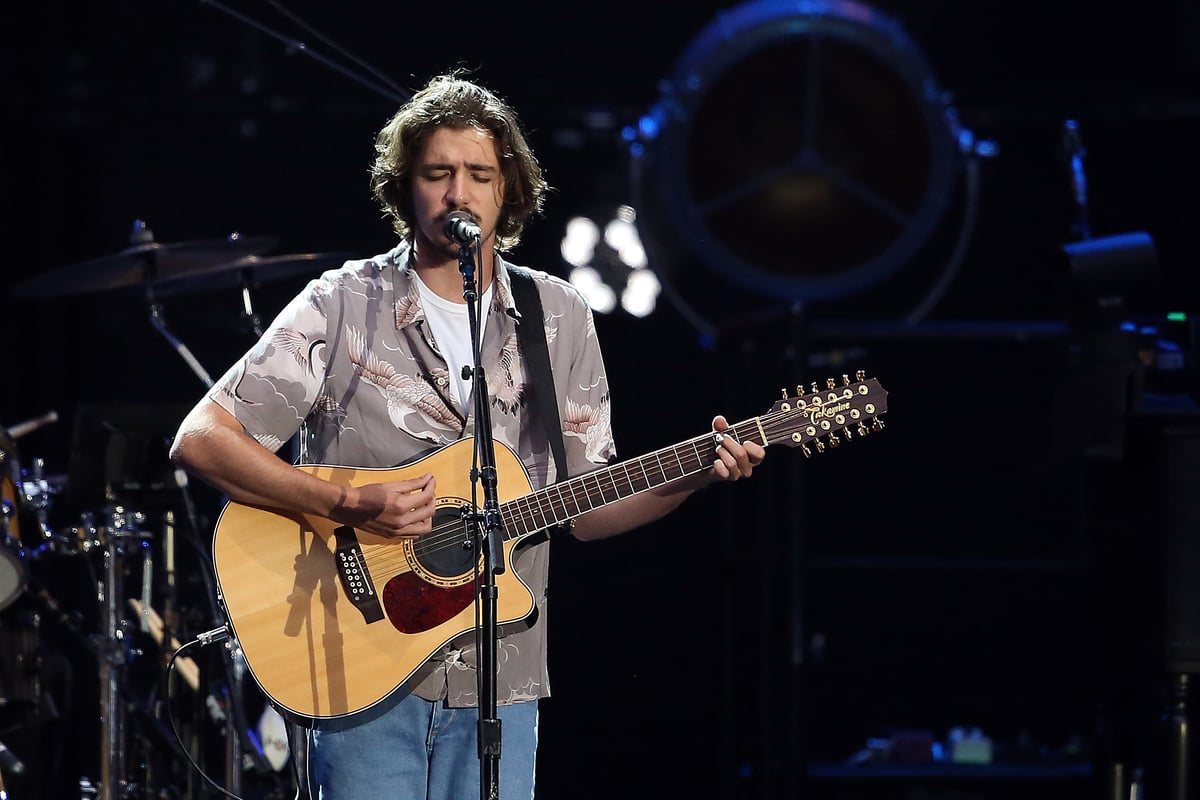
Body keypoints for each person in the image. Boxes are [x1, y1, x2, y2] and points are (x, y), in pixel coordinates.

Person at [168, 71, 765, 800]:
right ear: (404, 185)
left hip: (501, 676)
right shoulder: (343, 303)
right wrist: (349, 504)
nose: (459, 193)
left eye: (479, 174)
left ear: (507, 188)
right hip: (355, 665)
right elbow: (202, 438)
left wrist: (699, 471)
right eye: (438, 173)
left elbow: (586, 508)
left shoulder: (558, 315)